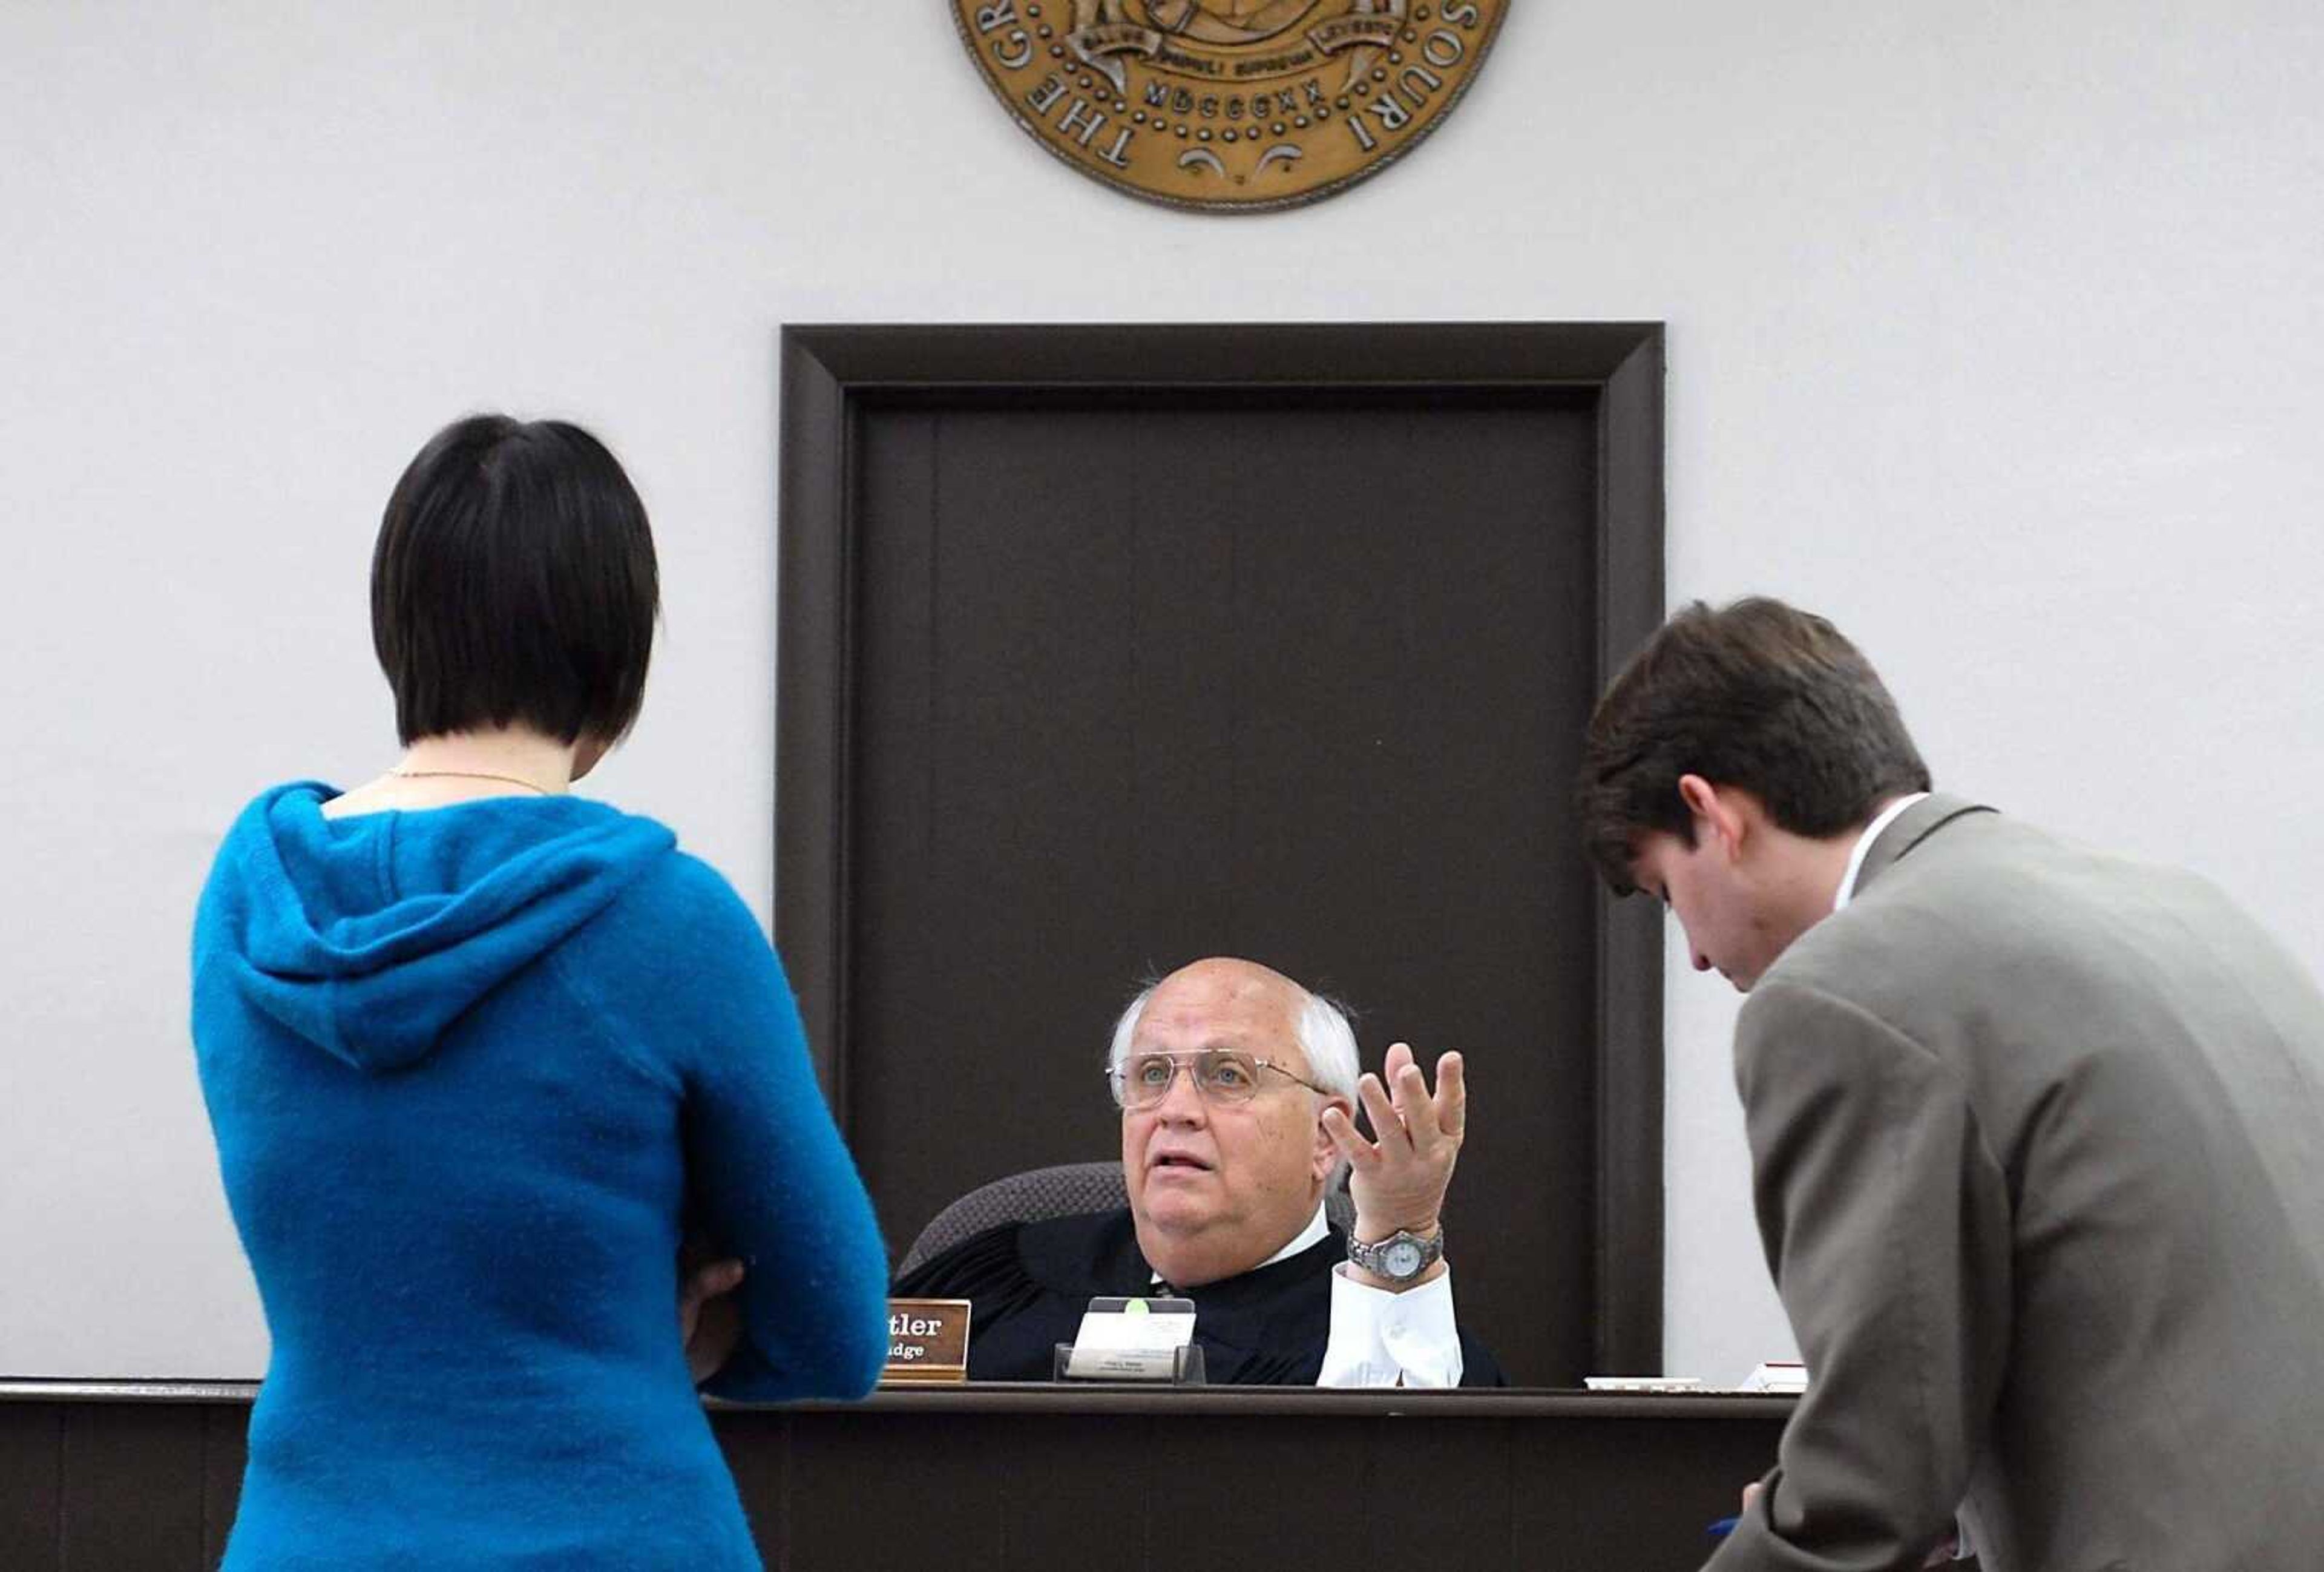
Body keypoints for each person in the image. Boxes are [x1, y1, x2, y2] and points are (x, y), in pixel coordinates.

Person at [191, 414, 889, 1570]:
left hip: (307, 1538)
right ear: (617, 656)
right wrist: (675, 1340)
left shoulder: (244, 912)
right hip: (615, 1531)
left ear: (396, 627)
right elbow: (839, 1329)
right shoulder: (669, 921)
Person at [1577, 596, 2324, 1571]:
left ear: (1714, 817)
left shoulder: (1845, 990)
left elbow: (1868, 1488)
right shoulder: (2189, 914)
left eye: (1668, 895)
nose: (1699, 959)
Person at [893, 956, 1504, 1385]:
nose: (1176, 1109)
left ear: (1324, 1136)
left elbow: (1404, 1493)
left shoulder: (1380, 1326)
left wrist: (1401, 1234)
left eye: (1229, 1074)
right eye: (1153, 1073)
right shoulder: (1008, 1271)